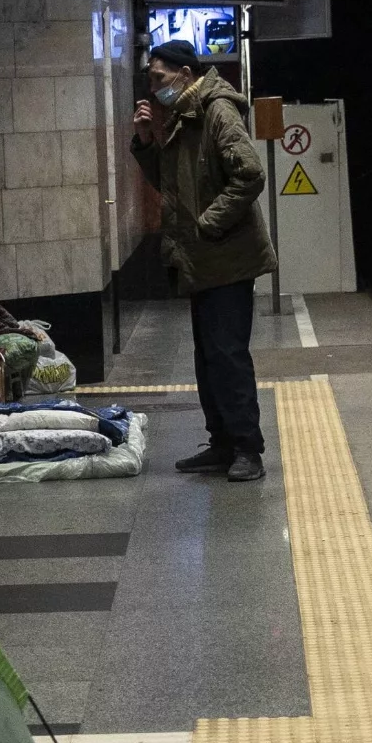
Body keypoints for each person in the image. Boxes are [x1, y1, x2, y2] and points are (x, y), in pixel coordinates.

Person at [130, 39, 275, 481]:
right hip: (202, 259)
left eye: (160, 79)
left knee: (227, 355)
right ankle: (223, 442)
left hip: (227, 257)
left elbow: (251, 174)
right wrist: (144, 142)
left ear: (186, 74)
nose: (155, 89)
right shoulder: (182, 118)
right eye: (151, 81)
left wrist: (208, 223)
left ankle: (248, 449)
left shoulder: (217, 111)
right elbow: (168, 185)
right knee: (208, 356)